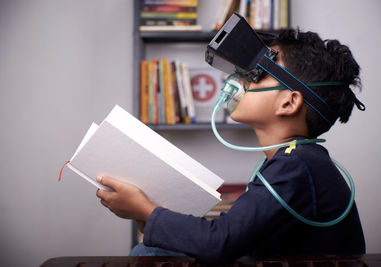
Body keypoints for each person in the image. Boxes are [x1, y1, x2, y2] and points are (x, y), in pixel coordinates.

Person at [95, 29, 365, 263]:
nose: (239, 80)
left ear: (288, 103)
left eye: (255, 75)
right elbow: (237, 236)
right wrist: (154, 219)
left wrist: (145, 210)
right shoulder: (298, 161)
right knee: (155, 247)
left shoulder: (295, 166)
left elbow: (219, 243)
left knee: (148, 254)